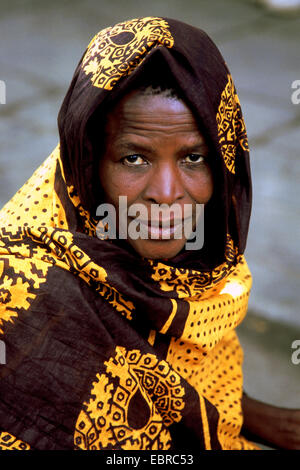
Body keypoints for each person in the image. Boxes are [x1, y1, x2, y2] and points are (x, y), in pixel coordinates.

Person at [0, 16, 299, 451]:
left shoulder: (207, 262)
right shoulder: (23, 294)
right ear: (88, 164)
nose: (165, 194)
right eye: (134, 159)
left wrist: (251, 414)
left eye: (194, 158)